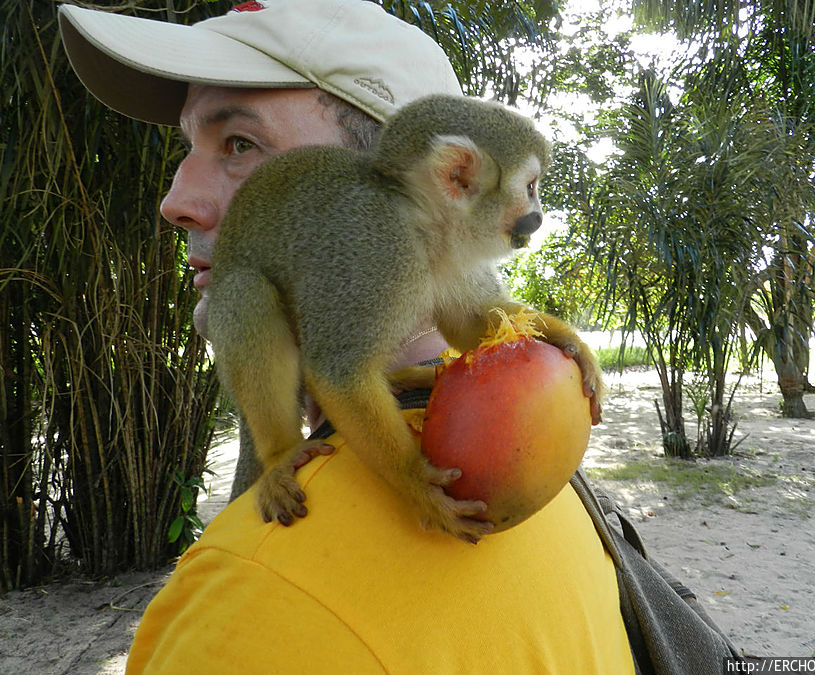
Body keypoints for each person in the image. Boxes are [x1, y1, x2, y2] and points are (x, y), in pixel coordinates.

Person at [59, 1, 635, 672]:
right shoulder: (553, 491)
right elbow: (362, 362)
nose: (174, 199)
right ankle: (278, 450)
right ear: (455, 177)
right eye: (192, 147)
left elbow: (475, 323)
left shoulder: (255, 601)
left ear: (456, 179)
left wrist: (561, 344)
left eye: (240, 143)